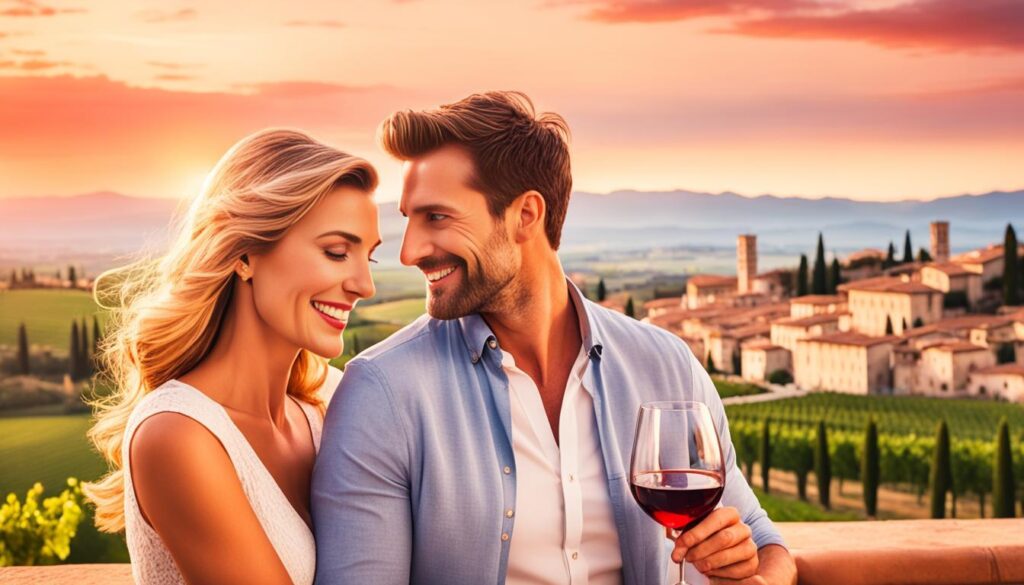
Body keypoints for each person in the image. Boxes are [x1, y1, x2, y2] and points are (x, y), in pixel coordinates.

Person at [312, 92, 797, 584]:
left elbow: (763, 544)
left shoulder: (666, 365)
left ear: (526, 215)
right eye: (408, 219)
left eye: (436, 217)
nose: (410, 250)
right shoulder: (382, 394)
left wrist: (745, 567)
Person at [83, 129, 380, 585]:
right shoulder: (177, 434)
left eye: (369, 259)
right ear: (244, 254)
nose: (364, 285)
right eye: (336, 253)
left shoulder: (331, 400)